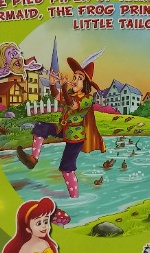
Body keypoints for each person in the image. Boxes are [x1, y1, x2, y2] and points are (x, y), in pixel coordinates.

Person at [16, 57, 105, 197]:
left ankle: (74, 197)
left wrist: (63, 86)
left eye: (79, 78)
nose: (74, 80)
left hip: (75, 136)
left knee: (66, 168)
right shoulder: (70, 93)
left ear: (86, 84)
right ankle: (33, 159)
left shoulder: (87, 98)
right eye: (74, 77)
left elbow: (72, 104)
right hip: (63, 128)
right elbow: (57, 96)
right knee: (41, 127)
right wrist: (53, 84)